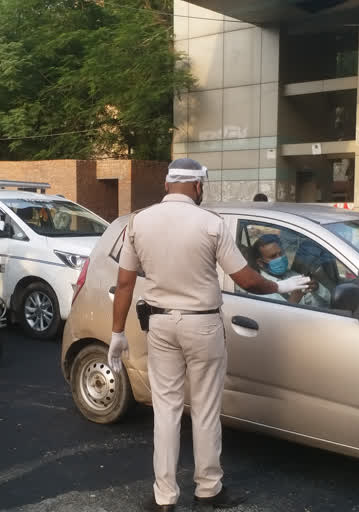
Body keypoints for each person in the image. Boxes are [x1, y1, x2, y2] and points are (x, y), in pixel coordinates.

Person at [108, 158, 312, 512]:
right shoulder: (211, 224)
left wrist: (116, 334)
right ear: (198, 186)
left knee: (166, 412)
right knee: (204, 410)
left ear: (168, 184)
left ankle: (164, 497)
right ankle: (208, 490)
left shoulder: (138, 222)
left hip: (159, 324)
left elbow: (124, 283)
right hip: (202, 324)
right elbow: (246, 279)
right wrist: (281, 284)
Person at [250, 234, 327, 307]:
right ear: (260, 262)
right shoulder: (259, 288)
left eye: (281, 253)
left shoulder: (292, 274)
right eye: (273, 256)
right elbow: (272, 318)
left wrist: (317, 289)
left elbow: (326, 303)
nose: (280, 258)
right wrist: (293, 301)